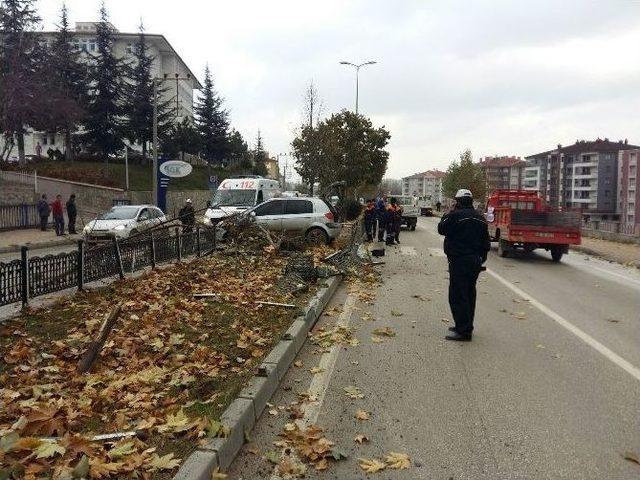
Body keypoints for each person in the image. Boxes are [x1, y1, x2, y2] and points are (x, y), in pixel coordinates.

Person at [437, 189, 490, 342]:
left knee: (458, 295)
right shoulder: (480, 218)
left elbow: (441, 229)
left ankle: (463, 331)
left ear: (458, 201)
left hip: (459, 260)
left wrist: (448, 213)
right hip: (474, 261)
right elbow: (485, 243)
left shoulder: (455, 216)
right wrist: (481, 259)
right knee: (469, 294)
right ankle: (465, 325)